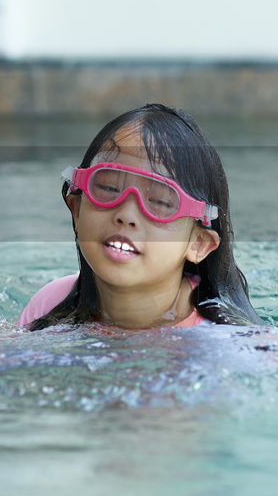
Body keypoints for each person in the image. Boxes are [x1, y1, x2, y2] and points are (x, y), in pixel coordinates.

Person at [19, 103, 262, 331]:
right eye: (109, 188)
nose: (126, 215)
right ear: (77, 210)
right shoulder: (51, 305)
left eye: (159, 202)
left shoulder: (220, 341)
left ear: (198, 243)